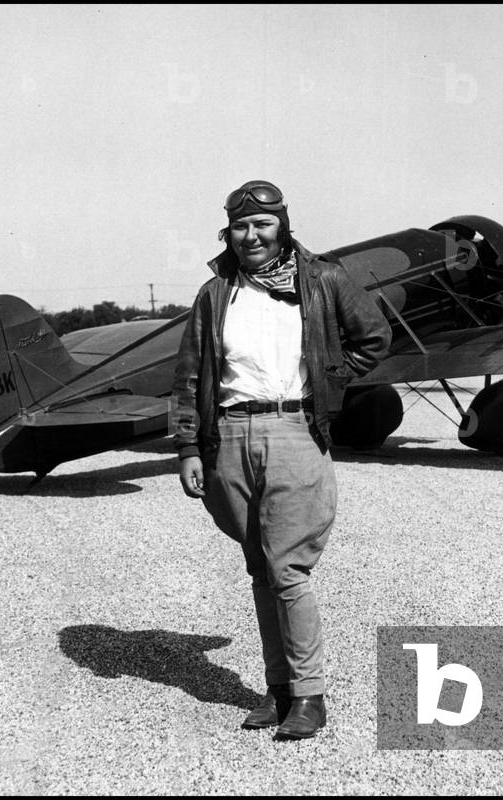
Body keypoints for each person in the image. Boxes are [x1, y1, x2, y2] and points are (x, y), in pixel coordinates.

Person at [172, 180, 391, 740]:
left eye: (263, 225)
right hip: (229, 436)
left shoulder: (323, 278)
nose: (252, 236)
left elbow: (373, 336)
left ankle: (309, 695)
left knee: (288, 570)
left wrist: (328, 384)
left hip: (295, 428)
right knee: (258, 569)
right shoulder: (215, 292)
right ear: (230, 233)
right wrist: (188, 447)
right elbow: (191, 375)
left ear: (283, 227)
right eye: (241, 227)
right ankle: (277, 690)